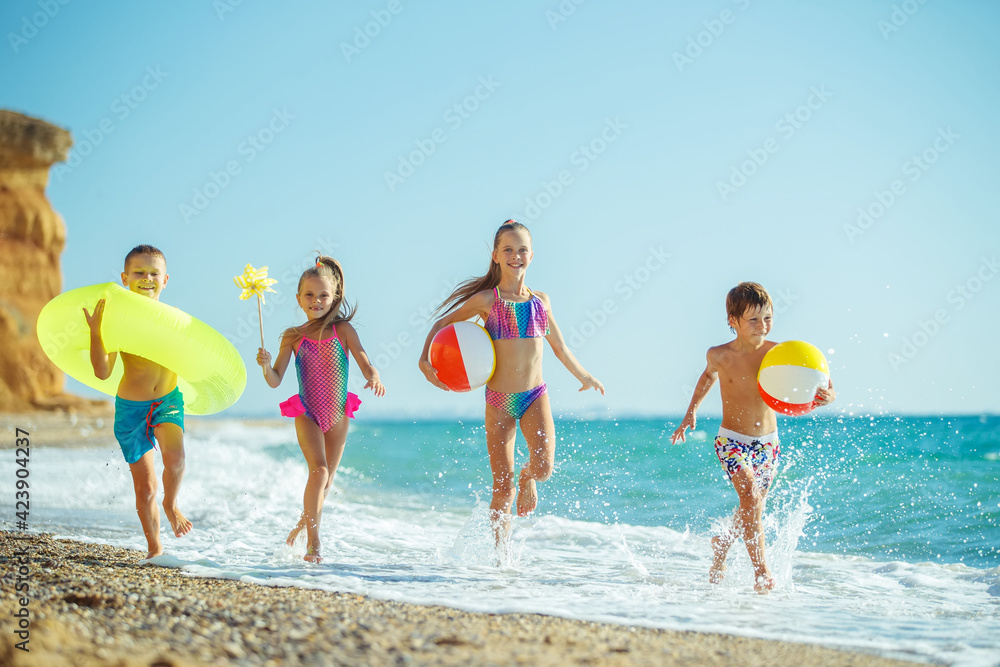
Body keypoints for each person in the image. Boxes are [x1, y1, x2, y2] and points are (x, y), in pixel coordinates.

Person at [419, 220, 605, 546]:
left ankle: (527, 475)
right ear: (495, 255)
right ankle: (500, 558)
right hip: (499, 401)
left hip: (535, 395)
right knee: (502, 488)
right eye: (508, 249)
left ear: (532, 255)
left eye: (521, 250)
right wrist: (425, 361)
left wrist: (584, 375)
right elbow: (442, 324)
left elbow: (560, 347)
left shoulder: (541, 301)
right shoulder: (486, 301)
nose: (515, 255)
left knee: (544, 467)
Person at [670, 281, 835, 593]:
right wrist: (691, 412)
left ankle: (723, 544)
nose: (763, 325)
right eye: (754, 319)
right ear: (734, 322)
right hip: (731, 441)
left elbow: (821, 381)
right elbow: (707, 378)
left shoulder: (780, 354)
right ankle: (762, 572)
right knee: (750, 497)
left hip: (768, 444)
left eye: (768, 318)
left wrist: (827, 396)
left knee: (752, 505)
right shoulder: (719, 355)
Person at [257, 256, 385, 563]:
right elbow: (275, 381)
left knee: (326, 484)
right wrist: (265, 366)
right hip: (307, 413)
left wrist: (374, 376)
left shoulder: (344, 330)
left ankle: (302, 525)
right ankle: (314, 544)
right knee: (319, 470)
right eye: (309, 295)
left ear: (335, 297)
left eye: (323, 295)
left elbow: (364, 361)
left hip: (338, 415)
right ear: (299, 298)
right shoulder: (293, 336)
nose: (316, 301)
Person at [85, 244, 191, 559]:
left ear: (166, 279)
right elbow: (102, 372)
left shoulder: (174, 321)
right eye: (139, 273)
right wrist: (95, 333)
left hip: (167, 401)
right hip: (131, 410)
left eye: (153, 273)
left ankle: (171, 504)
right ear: (125, 277)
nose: (147, 278)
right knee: (145, 489)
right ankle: (154, 547)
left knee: (176, 458)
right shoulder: (118, 321)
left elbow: (193, 359)